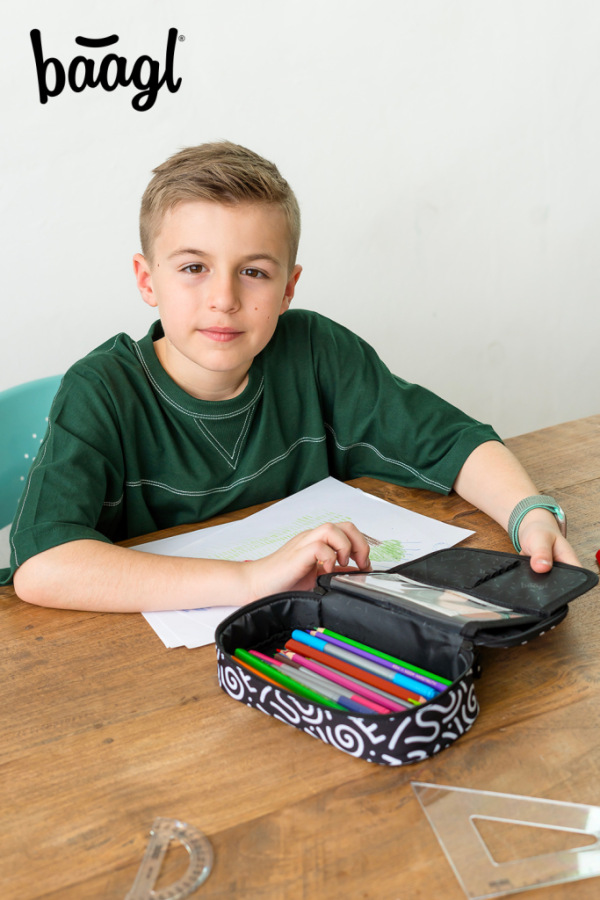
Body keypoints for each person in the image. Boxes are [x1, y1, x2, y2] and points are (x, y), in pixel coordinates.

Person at [2, 142, 579, 612]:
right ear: (147, 279)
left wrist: (529, 512)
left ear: (288, 288)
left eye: (253, 272)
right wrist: (250, 579)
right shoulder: (101, 392)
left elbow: (450, 441)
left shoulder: (315, 352)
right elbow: (43, 566)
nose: (224, 298)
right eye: (194, 267)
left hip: (306, 634)